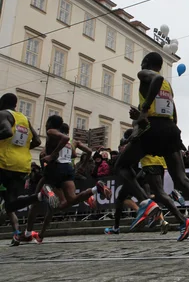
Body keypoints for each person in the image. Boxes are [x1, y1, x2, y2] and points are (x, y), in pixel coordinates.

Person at [115, 52, 189, 254]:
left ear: (146, 63)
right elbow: (173, 111)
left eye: (142, 63)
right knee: (182, 179)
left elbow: (157, 79)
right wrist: (172, 132)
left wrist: (144, 111)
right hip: (170, 129)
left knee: (121, 165)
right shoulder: (168, 88)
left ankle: (146, 203)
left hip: (153, 127)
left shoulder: (147, 74)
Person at [20, 115, 112, 244]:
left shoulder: (52, 134)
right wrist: (83, 165)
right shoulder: (71, 143)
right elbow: (80, 152)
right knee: (70, 200)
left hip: (54, 170)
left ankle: (29, 231)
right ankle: (96, 189)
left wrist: (50, 157)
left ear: (50, 124)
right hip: (68, 170)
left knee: (38, 200)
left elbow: (43, 154)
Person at [0, 92, 52, 245]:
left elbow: (7, 131)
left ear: (2, 103)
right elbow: (36, 140)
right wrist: (20, 149)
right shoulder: (24, 119)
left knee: (9, 203)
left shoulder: (2, 114)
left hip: (3, 163)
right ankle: (39, 197)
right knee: (10, 204)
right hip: (22, 164)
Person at [105, 129, 170, 235]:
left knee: (139, 199)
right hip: (141, 176)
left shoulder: (133, 147)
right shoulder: (142, 144)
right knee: (123, 199)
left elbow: (130, 165)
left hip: (136, 177)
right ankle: (162, 220)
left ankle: (141, 211)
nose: (121, 148)